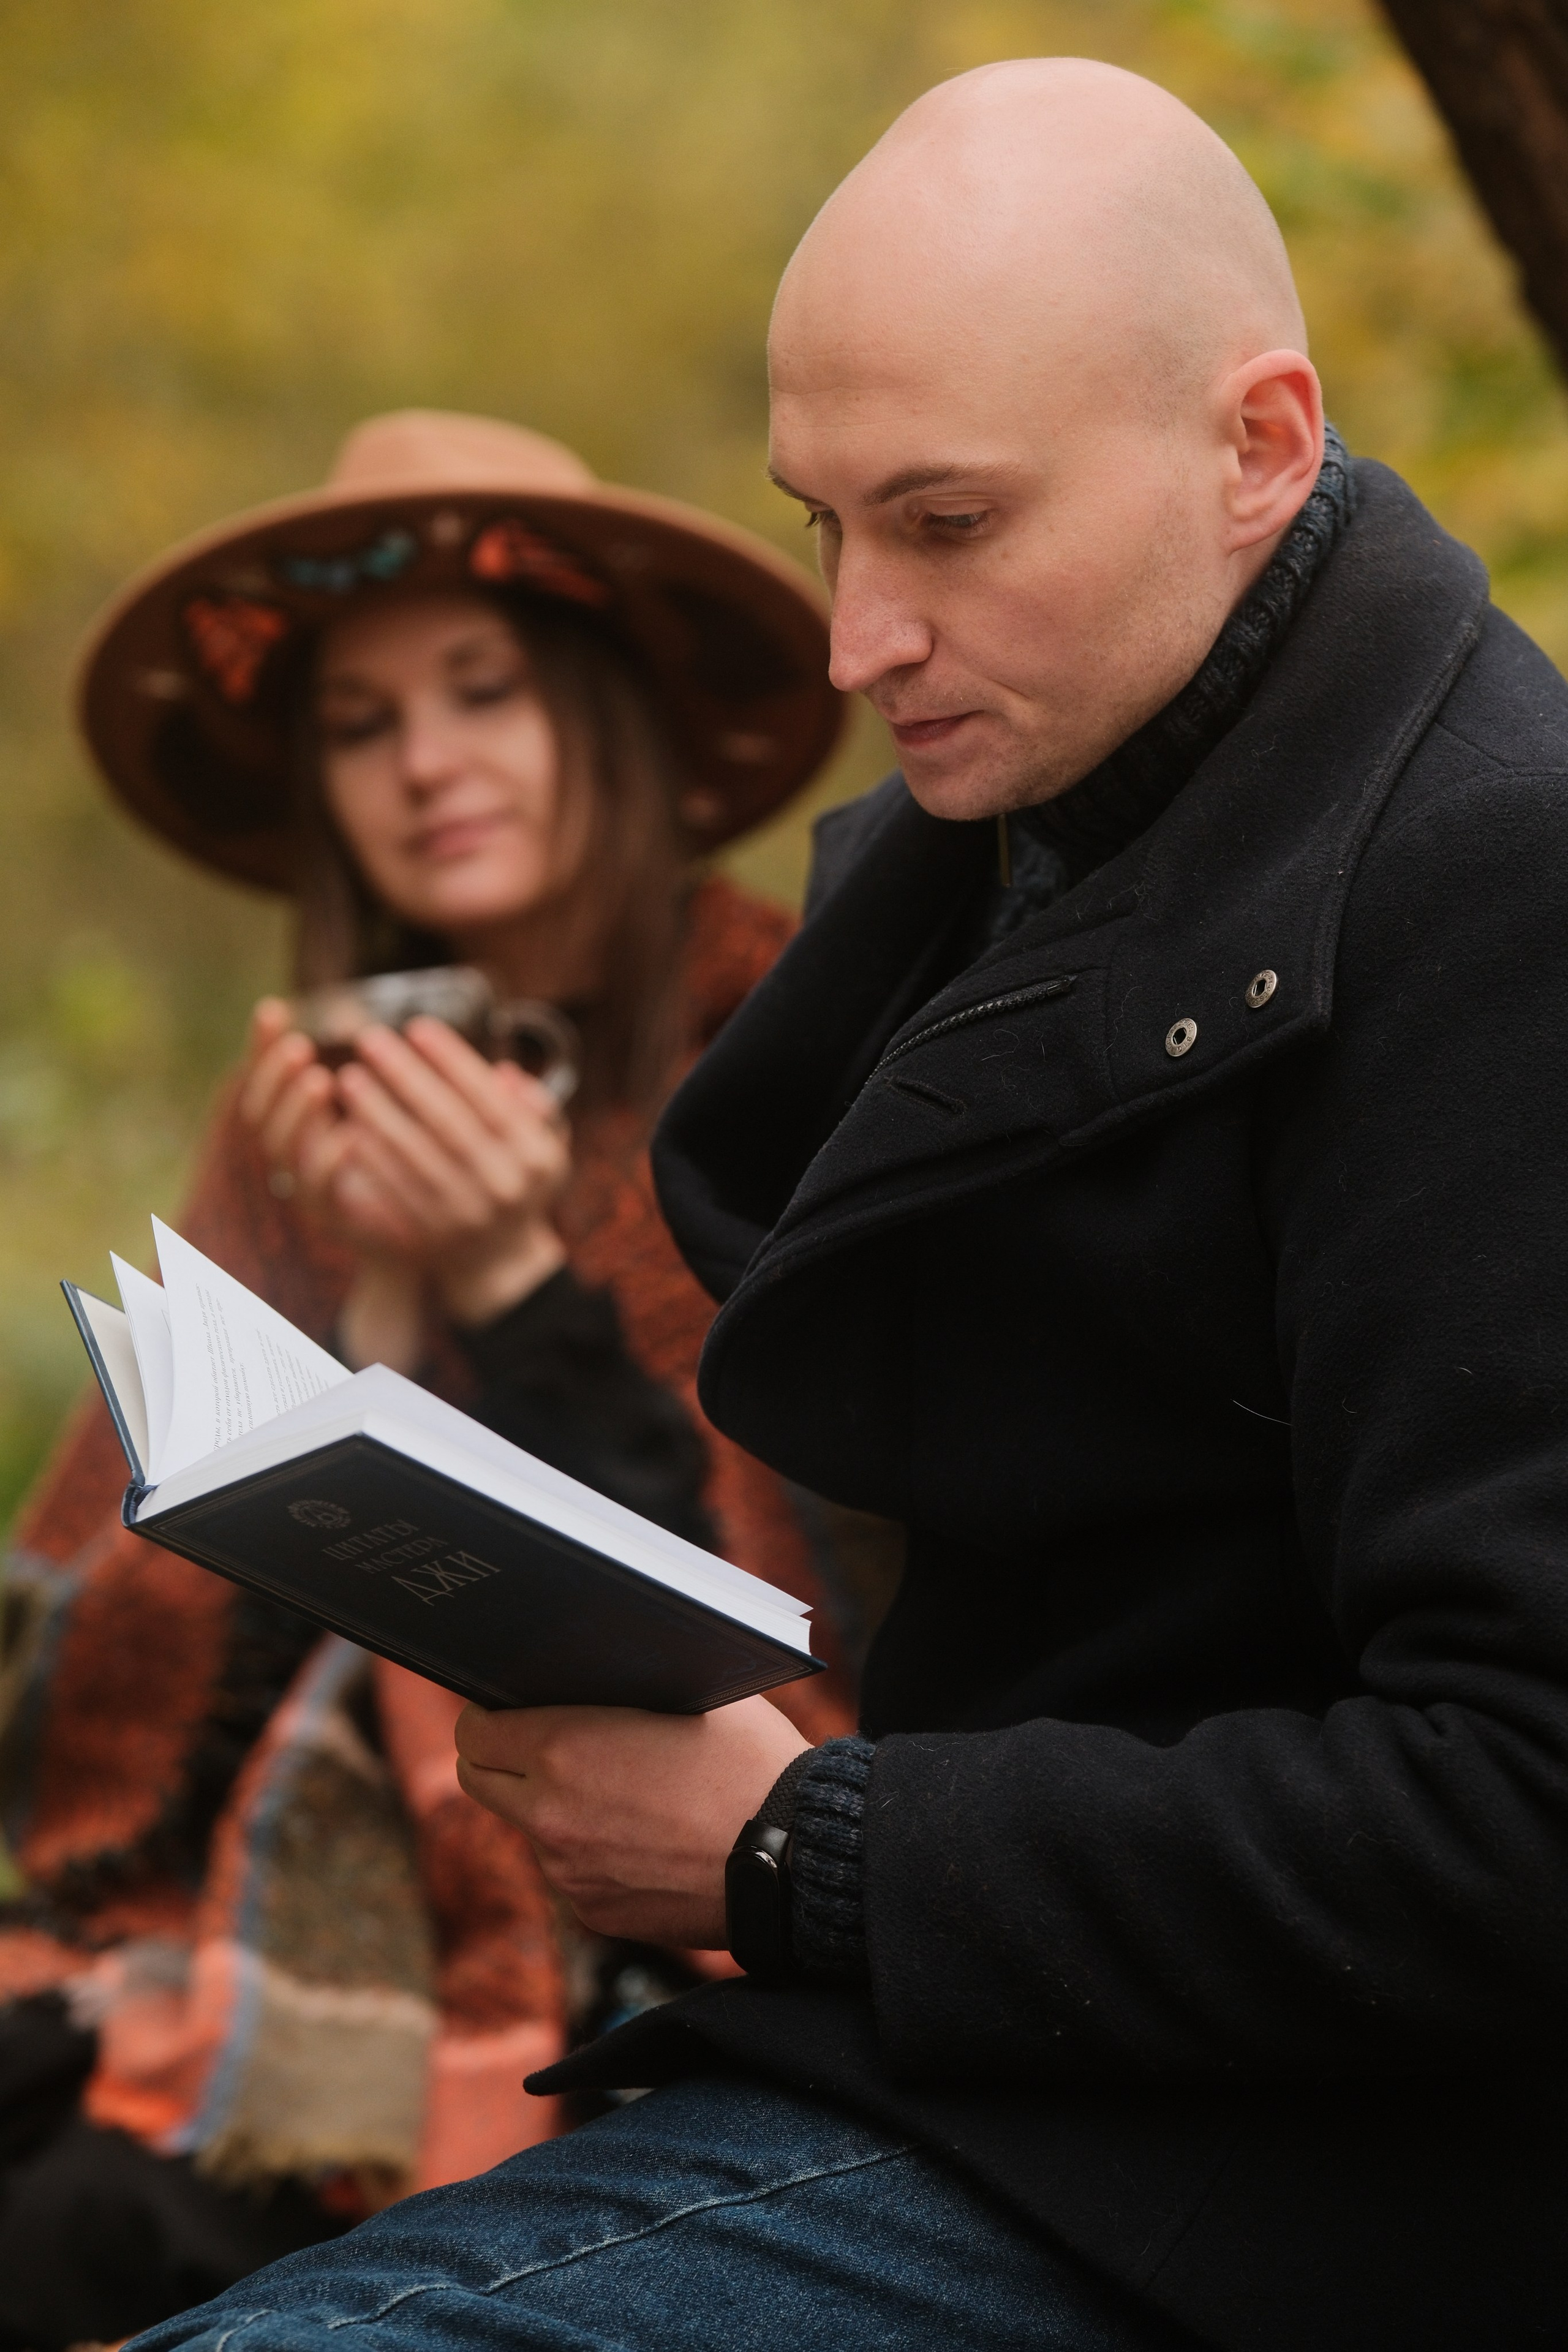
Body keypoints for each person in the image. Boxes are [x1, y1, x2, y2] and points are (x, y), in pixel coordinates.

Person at [118, 53, 1568, 2352]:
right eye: (824, 524)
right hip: (975, 2063)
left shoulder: (1500, 895)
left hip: (1302, 2167)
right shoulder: (990, 845)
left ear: (1260, 448)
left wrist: (810, 1853)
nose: (852, 640)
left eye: (950, 524)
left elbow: (1523, 1817)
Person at [0, 409, 859, 2350]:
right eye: (364, 724)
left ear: (602, 717)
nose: (428, 764)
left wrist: (517, 1280)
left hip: (653, 1955)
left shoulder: (781, 1049)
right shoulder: (298, 1104)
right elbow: (103, 1715)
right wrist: (372, 1322)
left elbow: (785, 1642)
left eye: (484, 692)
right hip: (250, 1953)